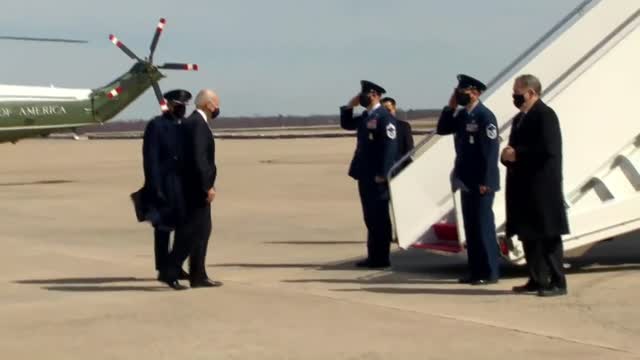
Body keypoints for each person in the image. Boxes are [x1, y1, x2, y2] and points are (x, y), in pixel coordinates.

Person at [502, 74, 569, 297]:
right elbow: (513, 148)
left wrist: (518, 154)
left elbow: (548, 149)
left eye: (518, 94)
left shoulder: (545, 115)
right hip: (523, 187)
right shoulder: (520, 118)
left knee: (548, 236)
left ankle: (558, 281)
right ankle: (537, 279)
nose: (515, 98)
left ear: (531, 93)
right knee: (529, 235)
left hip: (543, 187)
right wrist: (507, 155)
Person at [436, 74, 500, 285]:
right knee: (471, 229)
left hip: (481, 182)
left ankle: (490, 272)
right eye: (457, 90)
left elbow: (490, 153)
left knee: (483, 227)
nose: (459, 93)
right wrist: (450, 107)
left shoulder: (485, 116)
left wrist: (487, 182)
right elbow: (443, 128)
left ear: (475, 92)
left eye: (462, 91)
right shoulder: (463, 116)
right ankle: (476, 270)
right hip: (466, 180)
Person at [166, 89, 222, 288]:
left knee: (197, 231)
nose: (218, 107)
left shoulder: (193, 123)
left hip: (189, 187)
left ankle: (197, 274)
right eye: (216, 103)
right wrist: (207, 186)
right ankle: (177, 272)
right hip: (195, 189)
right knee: (194, 231)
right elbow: (199, 159)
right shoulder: (197, 125)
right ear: (208, 104)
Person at [340, 80, 398, 268]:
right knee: (370, 218)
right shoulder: (367, 116)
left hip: (377, 177)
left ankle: (382, 258)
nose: (363, 97)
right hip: (365, 175)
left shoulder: (384, 117)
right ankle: (374, 256)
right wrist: (350, 105)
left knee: (380, 218)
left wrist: (383, 173)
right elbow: (347, 124)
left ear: (375, 95)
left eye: (366, 94)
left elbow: (390, 148)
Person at [138, 89, 192, 290]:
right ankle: (165, 269)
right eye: (179, 104)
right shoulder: (156, 125)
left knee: (183, 227)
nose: (182, 108)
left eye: (185, 105)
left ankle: (174, 266)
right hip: (164, 183)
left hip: (182, 183)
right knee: (163, 228)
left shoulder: (183, 126)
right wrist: (155, 186)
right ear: (168, 104)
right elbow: (150, 159)